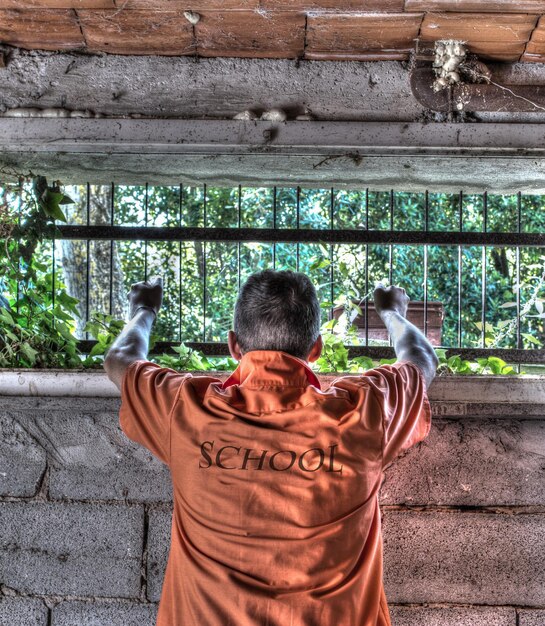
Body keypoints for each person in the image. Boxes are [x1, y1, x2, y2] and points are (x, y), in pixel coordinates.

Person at [104, 270, 438, 626]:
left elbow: (120, 359)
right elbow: (421, 358)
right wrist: (392, 312)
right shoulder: (363, 413)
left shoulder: (187, 409)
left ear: (233, 345)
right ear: (317, 349)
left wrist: (143, 308)